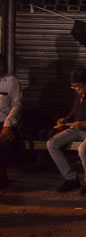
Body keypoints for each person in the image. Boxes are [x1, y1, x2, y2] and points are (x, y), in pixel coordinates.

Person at [0, 54, 22, 189]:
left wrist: (7, 125)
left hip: (4, 123)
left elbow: (17, 105)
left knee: (3, 145)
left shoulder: (11, 81)